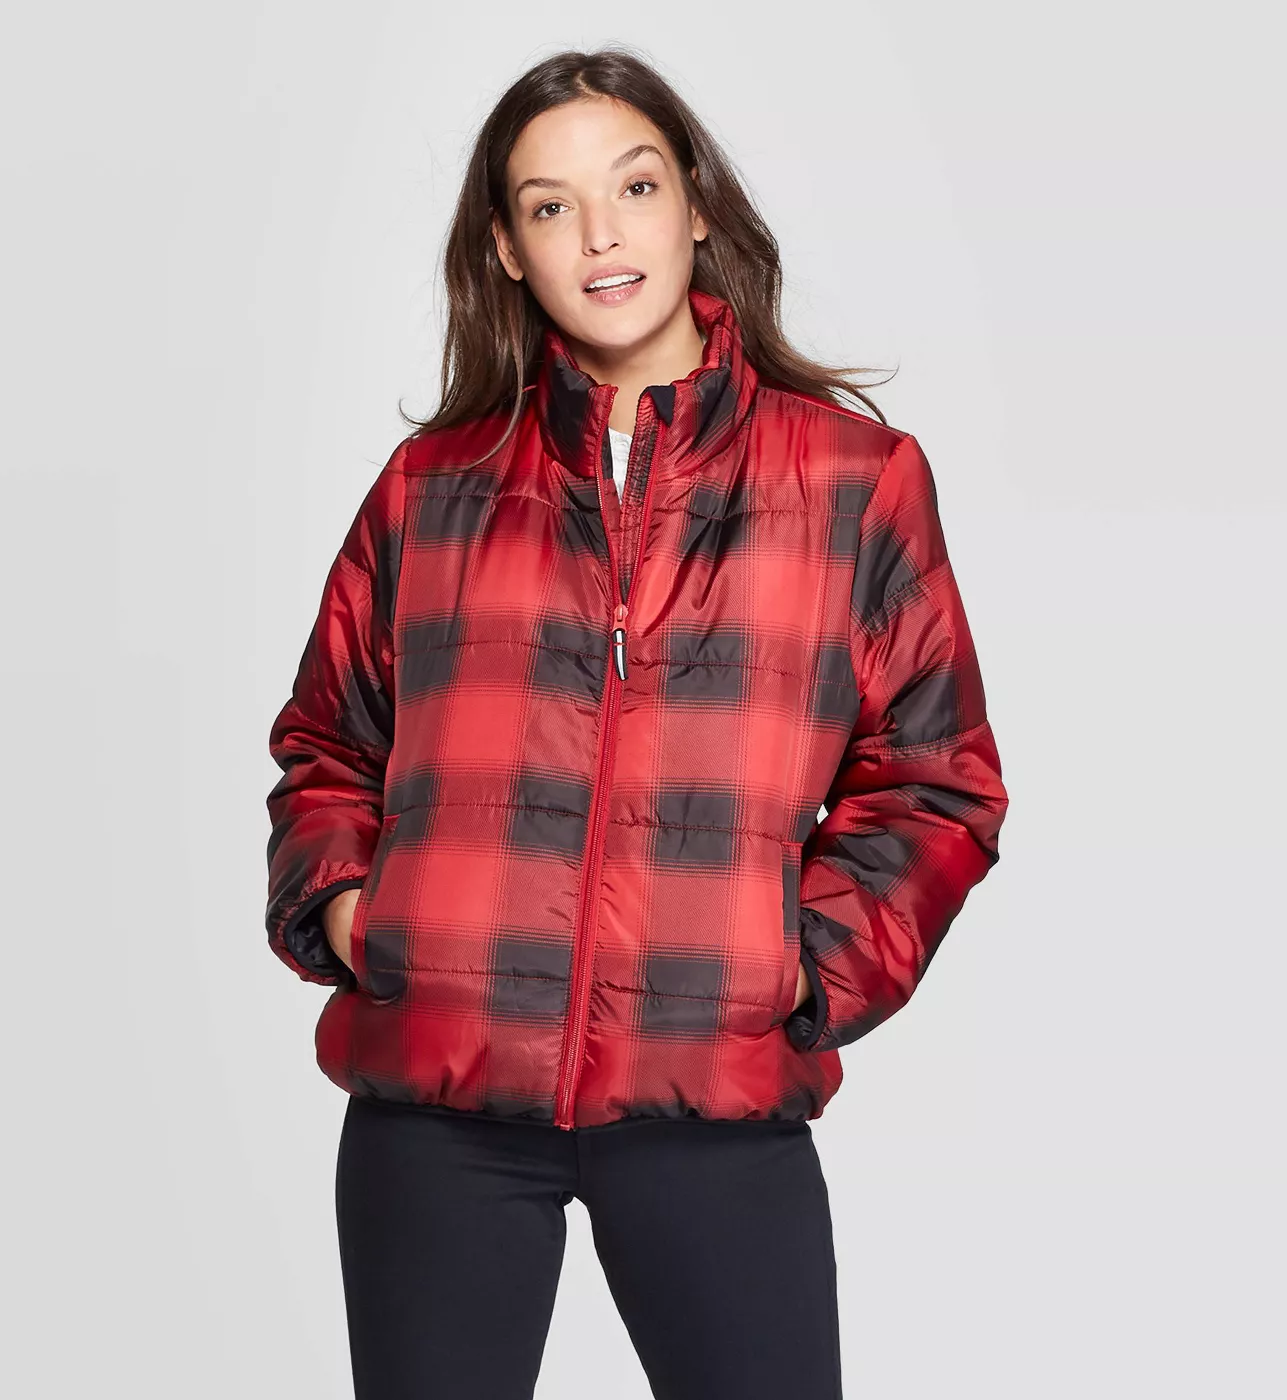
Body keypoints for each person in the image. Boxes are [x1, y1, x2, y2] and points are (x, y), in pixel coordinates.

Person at [264, 46, 1008, 1400]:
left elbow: (938, 781)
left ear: (696, 208)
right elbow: (327, 745)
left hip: (711, 1092)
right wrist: (362, 919)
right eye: (551, 206)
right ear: (506, 249)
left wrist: (797, 971)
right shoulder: (431, 490)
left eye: (636, 186)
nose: (601, 234)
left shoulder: (854, 482)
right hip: (439, 1110)